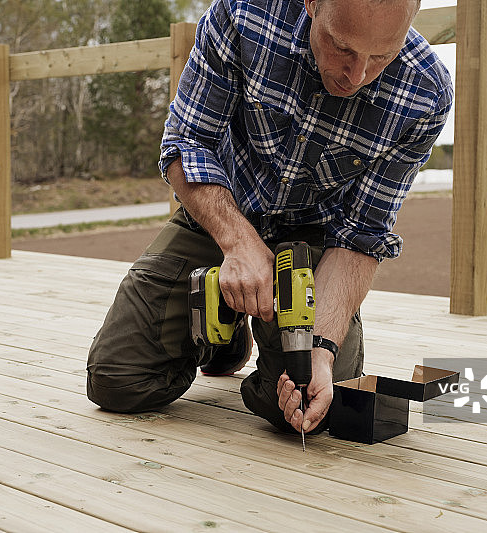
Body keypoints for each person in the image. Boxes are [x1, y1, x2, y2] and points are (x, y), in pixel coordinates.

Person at [87, 0, 452, 436]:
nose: (356, 76)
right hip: (220, 214)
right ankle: (220, 335)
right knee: (116, 381)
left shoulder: (424, 92)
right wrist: (239, 245)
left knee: (314, 403)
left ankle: (246, 333)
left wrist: (322, 348)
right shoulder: (244, 14)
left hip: (312, 242)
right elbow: (185, 144)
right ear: (312, 4)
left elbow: (360, 237)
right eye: (342, 48)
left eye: (380, 57)